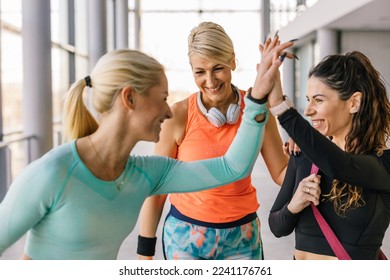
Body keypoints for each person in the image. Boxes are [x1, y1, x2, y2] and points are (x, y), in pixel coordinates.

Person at [0, 46, 292, 260]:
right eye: (163, 98)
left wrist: (256, 101)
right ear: (130, 98)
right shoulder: (52, 173)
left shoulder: (147, 173)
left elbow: (232, 168)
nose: (168, 111)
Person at [138, 22, 290, 260]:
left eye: (217, 68)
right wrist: (144, 254)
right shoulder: (178, 116)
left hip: (242, 237)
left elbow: (281, 171)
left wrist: (315, 163)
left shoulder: (256, 111)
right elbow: (157, 189)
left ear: (232, 61)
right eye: (200, 72)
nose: (210, 80)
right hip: (185, 237)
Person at [255, 39, 390, 259]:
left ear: (354, 102)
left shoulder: (383, 162)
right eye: (308, 100)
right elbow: (277, 227)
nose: (308, 110)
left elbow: (341, 165)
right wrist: (294, 205)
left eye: (318, 100)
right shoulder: (304, 154)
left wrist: (281, 107)